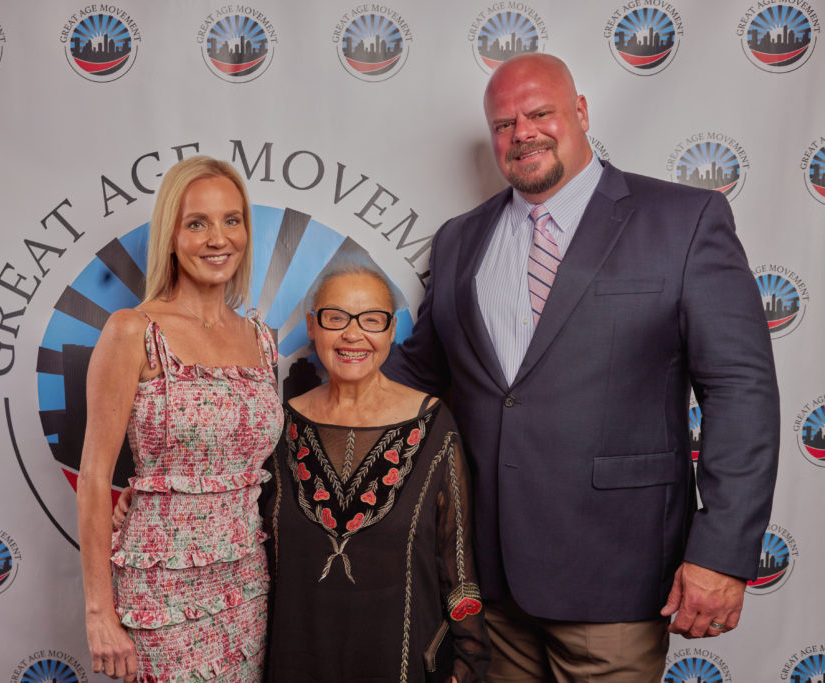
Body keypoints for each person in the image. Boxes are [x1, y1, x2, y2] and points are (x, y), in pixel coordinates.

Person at [383, 53, 779, 681]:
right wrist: (301, 397)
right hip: (490, 579)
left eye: (540, 113)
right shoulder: (460, 237)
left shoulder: (683, 220)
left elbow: (741, 391)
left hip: (618, 576)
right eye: (504, 123)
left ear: (581, 112)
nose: (523, 133)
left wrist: (723, 554)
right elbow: (417, 373)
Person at [77, 156, 283, 682]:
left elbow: (243, 462)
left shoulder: (262, 339)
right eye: (198, 223)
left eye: (231, 220)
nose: (219, 239)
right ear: (170, 236)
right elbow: (95, 478)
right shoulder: (133, 331)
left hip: (245, 580)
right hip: (159, 587)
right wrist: (100, 614)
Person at [264, 263, 491, 682]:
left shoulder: (435, 425)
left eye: (372, 319)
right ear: (313, 326)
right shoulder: (278, 426)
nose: (354, 334)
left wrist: (468, 662)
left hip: (400, 664)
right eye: (336, 318)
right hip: (296, 661)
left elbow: (457, 563)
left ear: (391, 331)